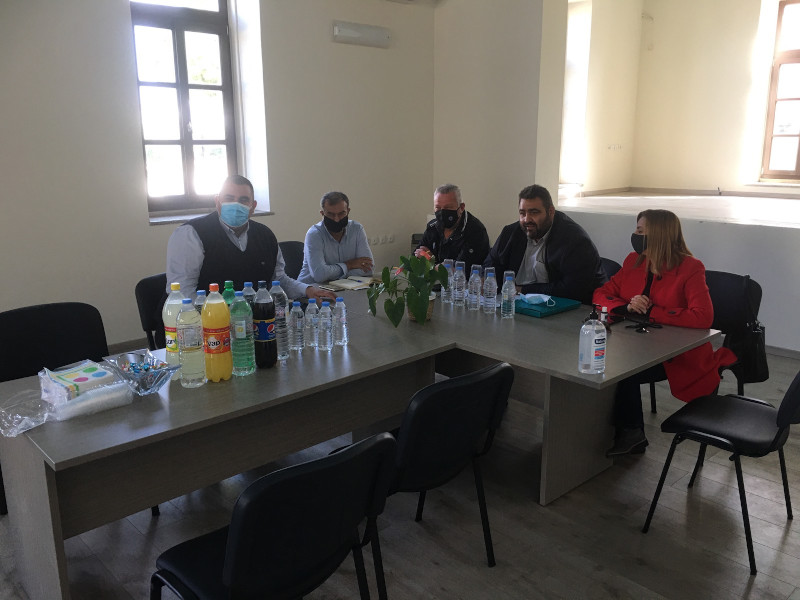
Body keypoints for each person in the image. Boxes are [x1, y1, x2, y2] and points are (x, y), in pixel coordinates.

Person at [595, 209, 737, 457]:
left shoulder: (690, 267)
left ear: (659, 234)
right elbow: (601, 293)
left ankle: (632, 433)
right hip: (633, 342)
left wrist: (653, 312)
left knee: (621, 371)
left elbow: (703, 317)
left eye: (640, 231)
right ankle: (595, 430)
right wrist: (625, 307)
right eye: (636, 230)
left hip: (674, 355)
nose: (635, 235)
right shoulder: (633, 260)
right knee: (600, 360)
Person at [166, 174, 336, 303]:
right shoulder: (190, 234)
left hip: (251, 324)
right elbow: (182, 293)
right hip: (206, 326)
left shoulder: (265, 235)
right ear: (217, 202)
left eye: (243, 200)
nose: (236, 205)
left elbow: (278, 280)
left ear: (253, 206)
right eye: (229, 199)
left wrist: (307, 290)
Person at [484, 184, 605, 304]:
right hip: (516, 304)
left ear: (550, 212)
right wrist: (487, 281)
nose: (527, 219)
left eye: (534, 212)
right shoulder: (511, 233)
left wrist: (522, 290)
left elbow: (573, 290)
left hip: (568, 308)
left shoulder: (575, 240)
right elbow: (491, 264)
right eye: (522, 213)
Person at [297, 191, 374, 284]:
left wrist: (331, 275)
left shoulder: (357, 229)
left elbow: (368, 269)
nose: (336, 219)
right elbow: (319, 275)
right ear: (322, 213)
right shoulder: (314, 234)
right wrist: (349, 265)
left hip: (343, 286)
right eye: (331, 214)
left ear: (348, 211)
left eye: (341, 213)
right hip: (311, 288)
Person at [415, 183, 489, 273]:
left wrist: (430, 261)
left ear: (461, 207)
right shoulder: (433, 226)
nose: (442, 212)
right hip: (435, 280)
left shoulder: (475, 230)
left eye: (448, 207)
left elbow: (461, 270)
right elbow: (416, 257)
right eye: (438, 208)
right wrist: (432, 262)